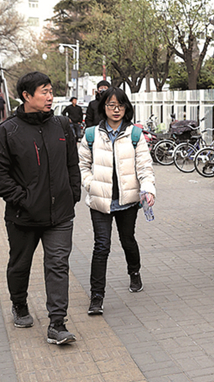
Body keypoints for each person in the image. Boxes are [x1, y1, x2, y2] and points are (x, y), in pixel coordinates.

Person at [0, 72, 80, 345]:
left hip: (60, 214)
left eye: (50, 90)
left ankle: (57, 323)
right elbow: (0, 174)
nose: (50, 96)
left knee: (57, 266)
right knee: (20, 265)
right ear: (26, 96)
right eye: (43, 92)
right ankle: (19, 303)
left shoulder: (62, 125)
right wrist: (23, 199)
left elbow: (72, 164)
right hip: (24, 215)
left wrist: (73, 193)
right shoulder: (8, 130)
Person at [79, 87, 156, 316]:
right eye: (111, 105)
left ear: (126, 108)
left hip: (127, 201)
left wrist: (148, 189)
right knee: (101, 246)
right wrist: (90, 185)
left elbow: (145, 166)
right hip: (100, 201)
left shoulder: (134, 134)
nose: (116, 109)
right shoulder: (92, 134)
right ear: (103, 107)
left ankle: (134, 272)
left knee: (127, 240)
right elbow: (82, 164)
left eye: (120, 105)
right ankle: (97, 297)